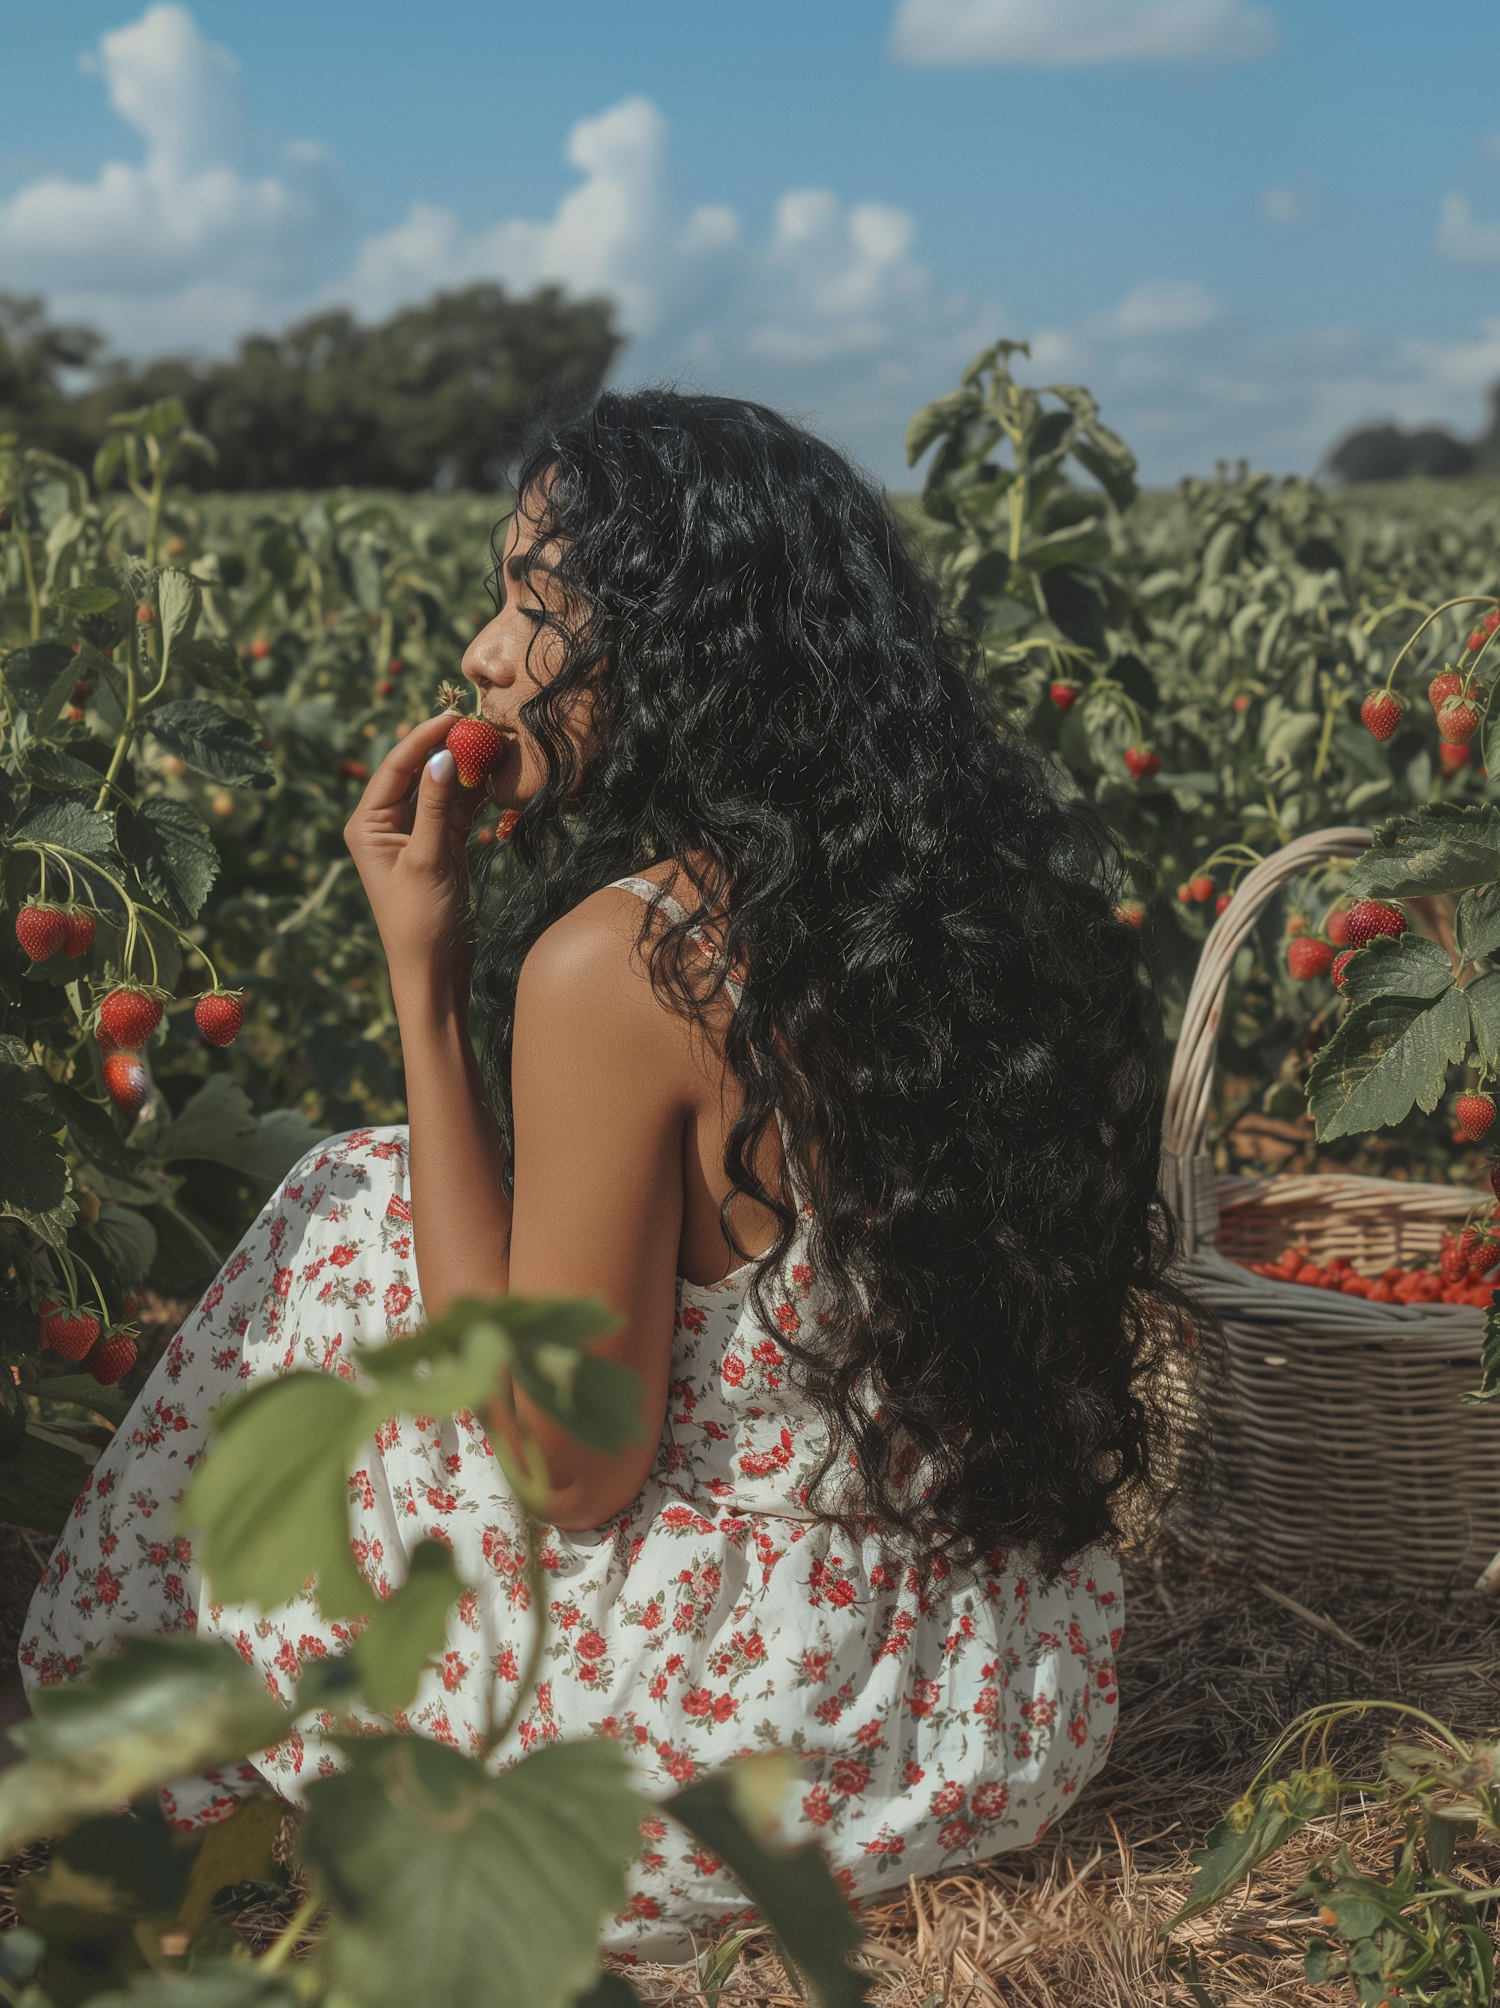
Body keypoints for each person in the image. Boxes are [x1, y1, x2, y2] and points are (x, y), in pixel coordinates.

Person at [20, 390, 1181, 1960]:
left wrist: (423, 986)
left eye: (536, 607)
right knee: (390, 1196)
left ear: (689, 652)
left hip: (731, 1761)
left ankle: (137, 1719)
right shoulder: (971, 911)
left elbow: (567, 1473)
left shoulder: (626, 966)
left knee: (346, 1198)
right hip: (985, 1712)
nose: (485, 654)